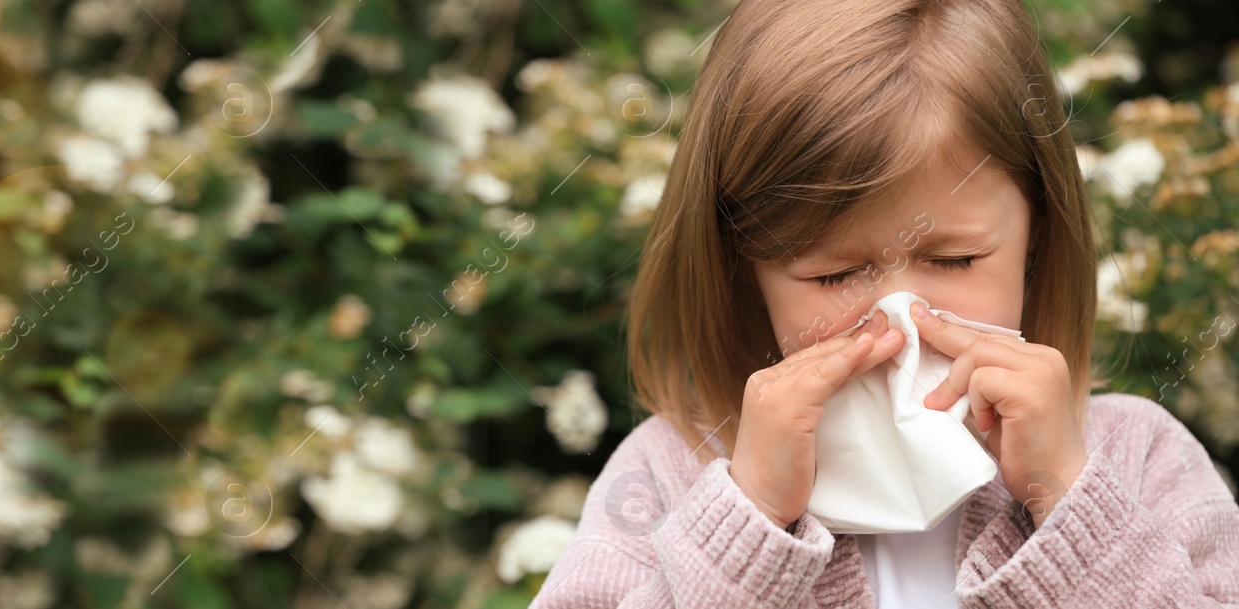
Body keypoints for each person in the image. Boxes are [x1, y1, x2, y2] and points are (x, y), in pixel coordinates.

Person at [528, 0, 1239, 606]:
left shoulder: (1137, 456)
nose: (899, 320)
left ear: (1037, 236)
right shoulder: (669, 471)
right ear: (743, 269)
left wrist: (1071, 506)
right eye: (836, 273)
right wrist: (745, 528)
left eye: (955, 259)